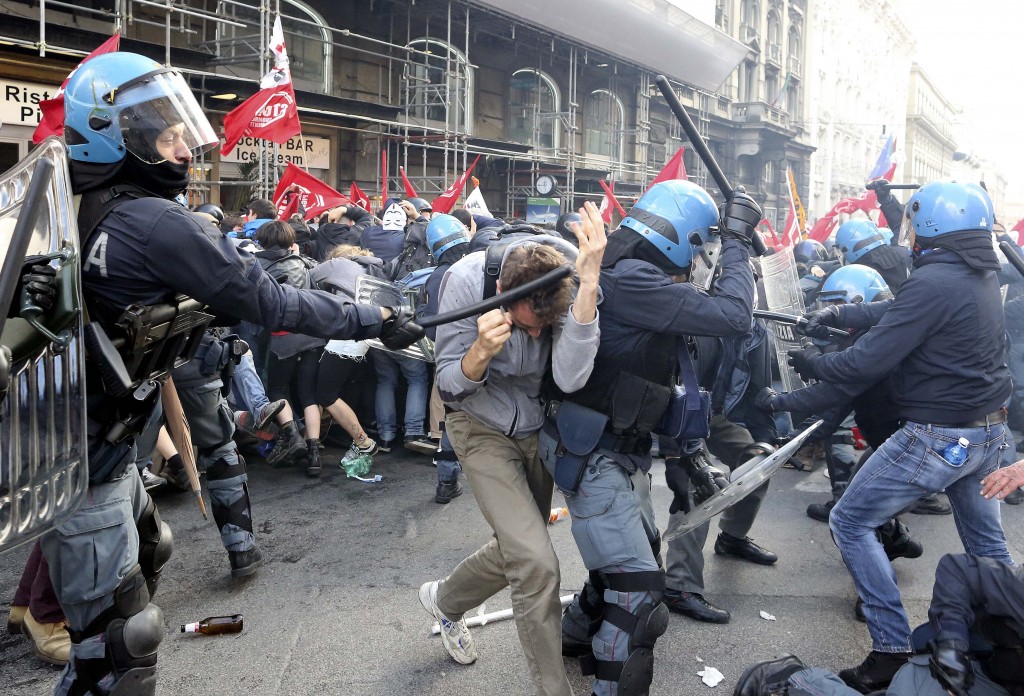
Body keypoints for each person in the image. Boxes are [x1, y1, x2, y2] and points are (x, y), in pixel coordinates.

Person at [43, 51, 423, 696]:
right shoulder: (151, 220)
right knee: (117, 652)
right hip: (89, 453)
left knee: (148, 556)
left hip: (81, 444)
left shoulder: (67, 208)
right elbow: (269, 301)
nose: (185, 148)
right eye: (166, 136)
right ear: (119, 138)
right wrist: (371, 317)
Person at [784, 180, 1013, 692]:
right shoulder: (974, 273)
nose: (907, 234)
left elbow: (868, 358)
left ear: (931, 225)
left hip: (939, 435)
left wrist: (816, 363)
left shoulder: (934, 281)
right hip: (989, 433)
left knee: (850, 520)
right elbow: (899, 312)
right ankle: (1007, 638)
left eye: (913, 223)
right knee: (985, 543)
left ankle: (890, 647)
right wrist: (843, 313)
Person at [552, 180, 762, 695]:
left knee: (633, 558)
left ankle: (576, 637)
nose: (701, 258)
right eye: (701, 245)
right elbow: (736, 316)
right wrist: (736, 240)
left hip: (612, 452)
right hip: (596, 456)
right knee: (641, 596)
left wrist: (686, 454)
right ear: (680, 237)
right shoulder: (637, 283)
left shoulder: (630, 274)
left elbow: (654, 383)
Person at [418, 202, 605, 696]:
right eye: (527, 327)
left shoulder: (572, 281)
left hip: (537, 427)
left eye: (547, 326)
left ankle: (445, 600)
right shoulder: (467, 282)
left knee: (522, 550)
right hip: (478, 424)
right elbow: (451, 388)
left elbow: (569, 376)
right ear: (503, 294)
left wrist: (586, 295)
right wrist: (480, 351)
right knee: (538, 563)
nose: (537, 335)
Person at [733, 553, 1024, 696]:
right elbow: (959, 570)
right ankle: (791, 679)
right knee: (851, 520)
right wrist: (952, 647)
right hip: (974, 673)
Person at [421, 214, 475, 503]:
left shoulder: (437, 276)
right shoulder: (481, 265)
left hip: (452, 361)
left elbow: (429, 325)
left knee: (451, 419)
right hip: (486, 353)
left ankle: (446, 480)